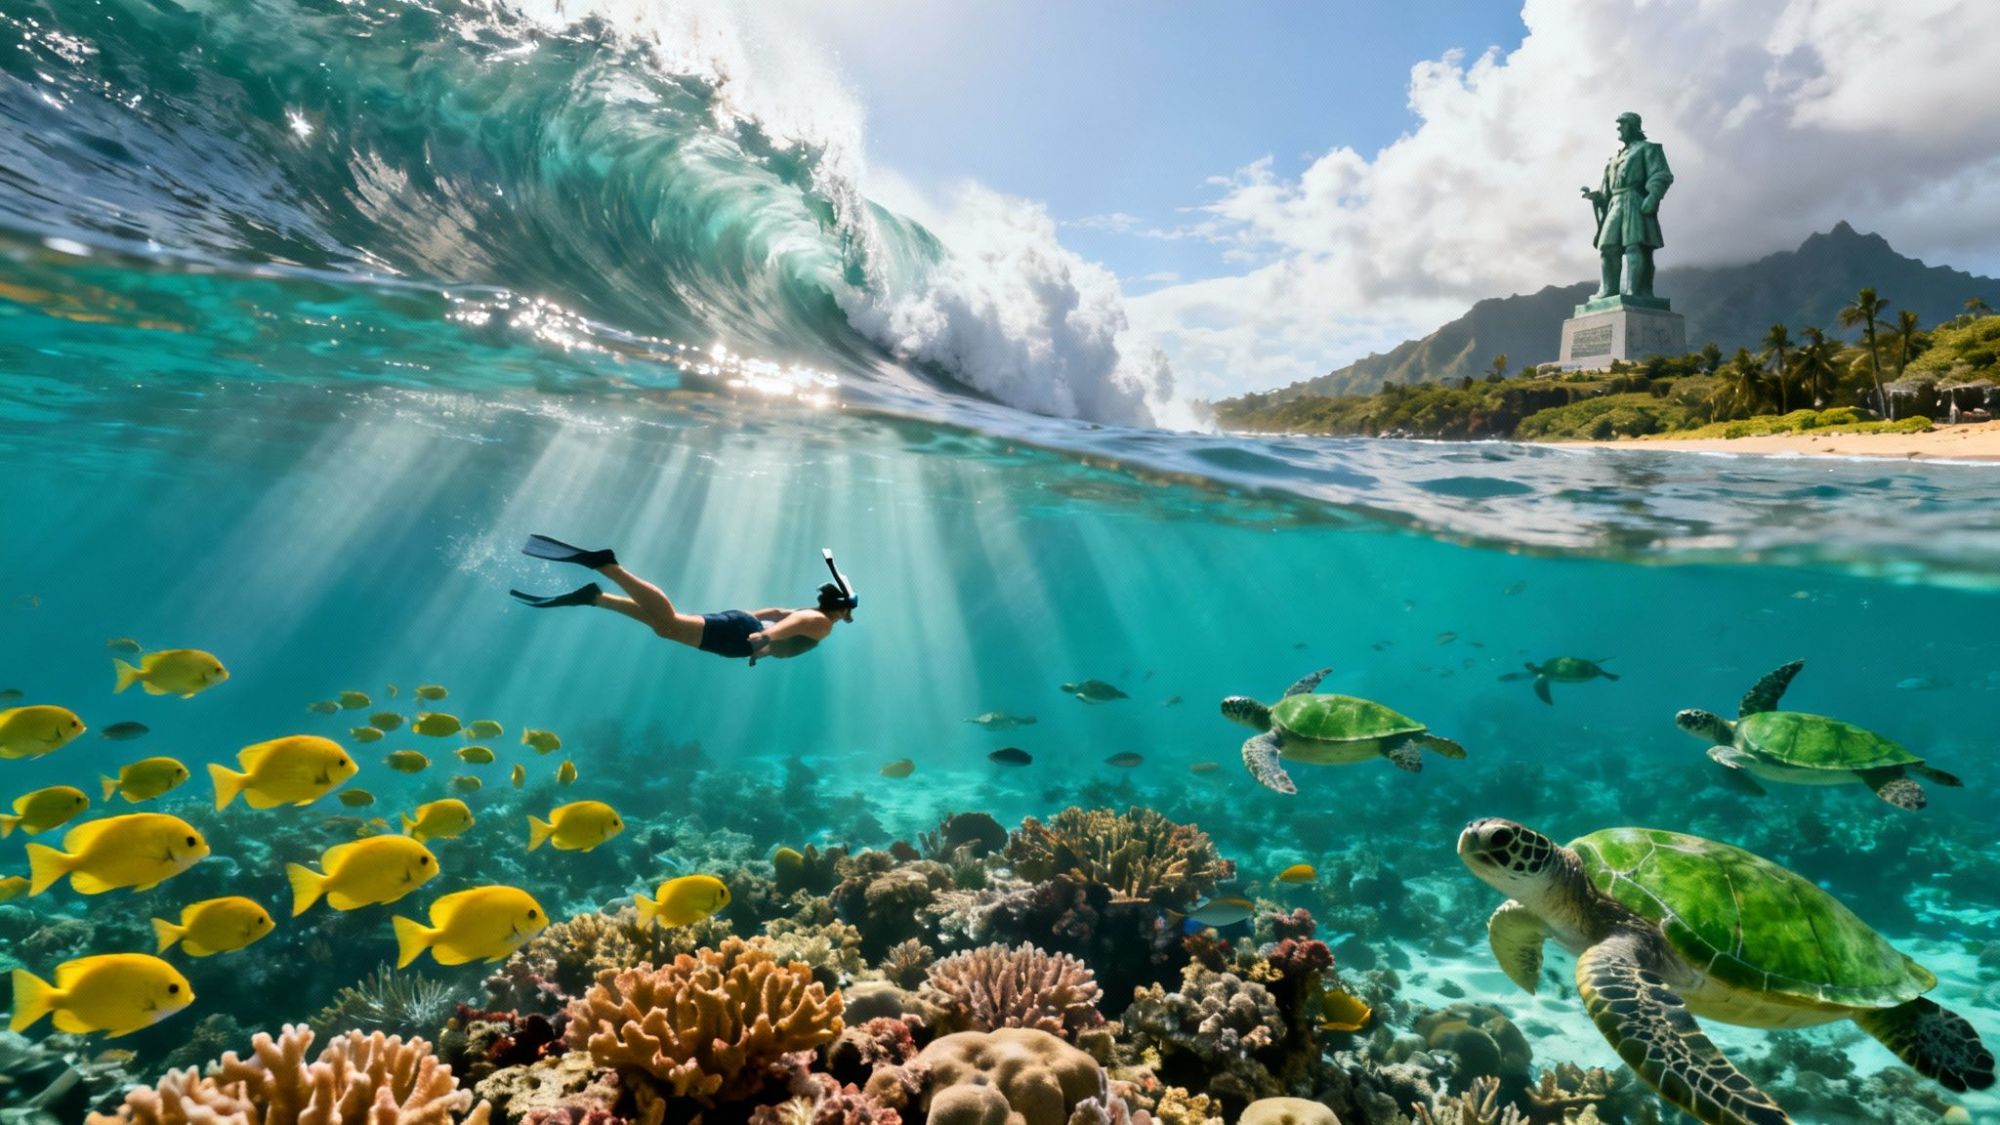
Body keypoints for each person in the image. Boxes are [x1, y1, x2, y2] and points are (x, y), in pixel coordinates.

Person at [508, 535, 855, 664]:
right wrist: (766, 637)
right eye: (847, 611)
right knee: (670, 622)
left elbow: (779, 613)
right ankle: (609, 567)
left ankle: (598, 598)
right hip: (741, 635)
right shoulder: (821, 624)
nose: (846, 616)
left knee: (666, 628)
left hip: (742, 631)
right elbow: (791, 624)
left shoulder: (813, 612)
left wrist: (759, 636)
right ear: (839, 608)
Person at [1580, 111, 1673, 302]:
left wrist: (1653, 196)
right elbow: (1606, 190)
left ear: (1633, 126)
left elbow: (1661, 174)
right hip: (1615, 204)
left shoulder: (1648, 149)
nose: (1619, 128)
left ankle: (1635, 291)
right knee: (1607, 247)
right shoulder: (1613, 159)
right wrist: (1597, 196)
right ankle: (1608, 290)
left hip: (1635, 200)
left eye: (1622, 125)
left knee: (1635, 247)